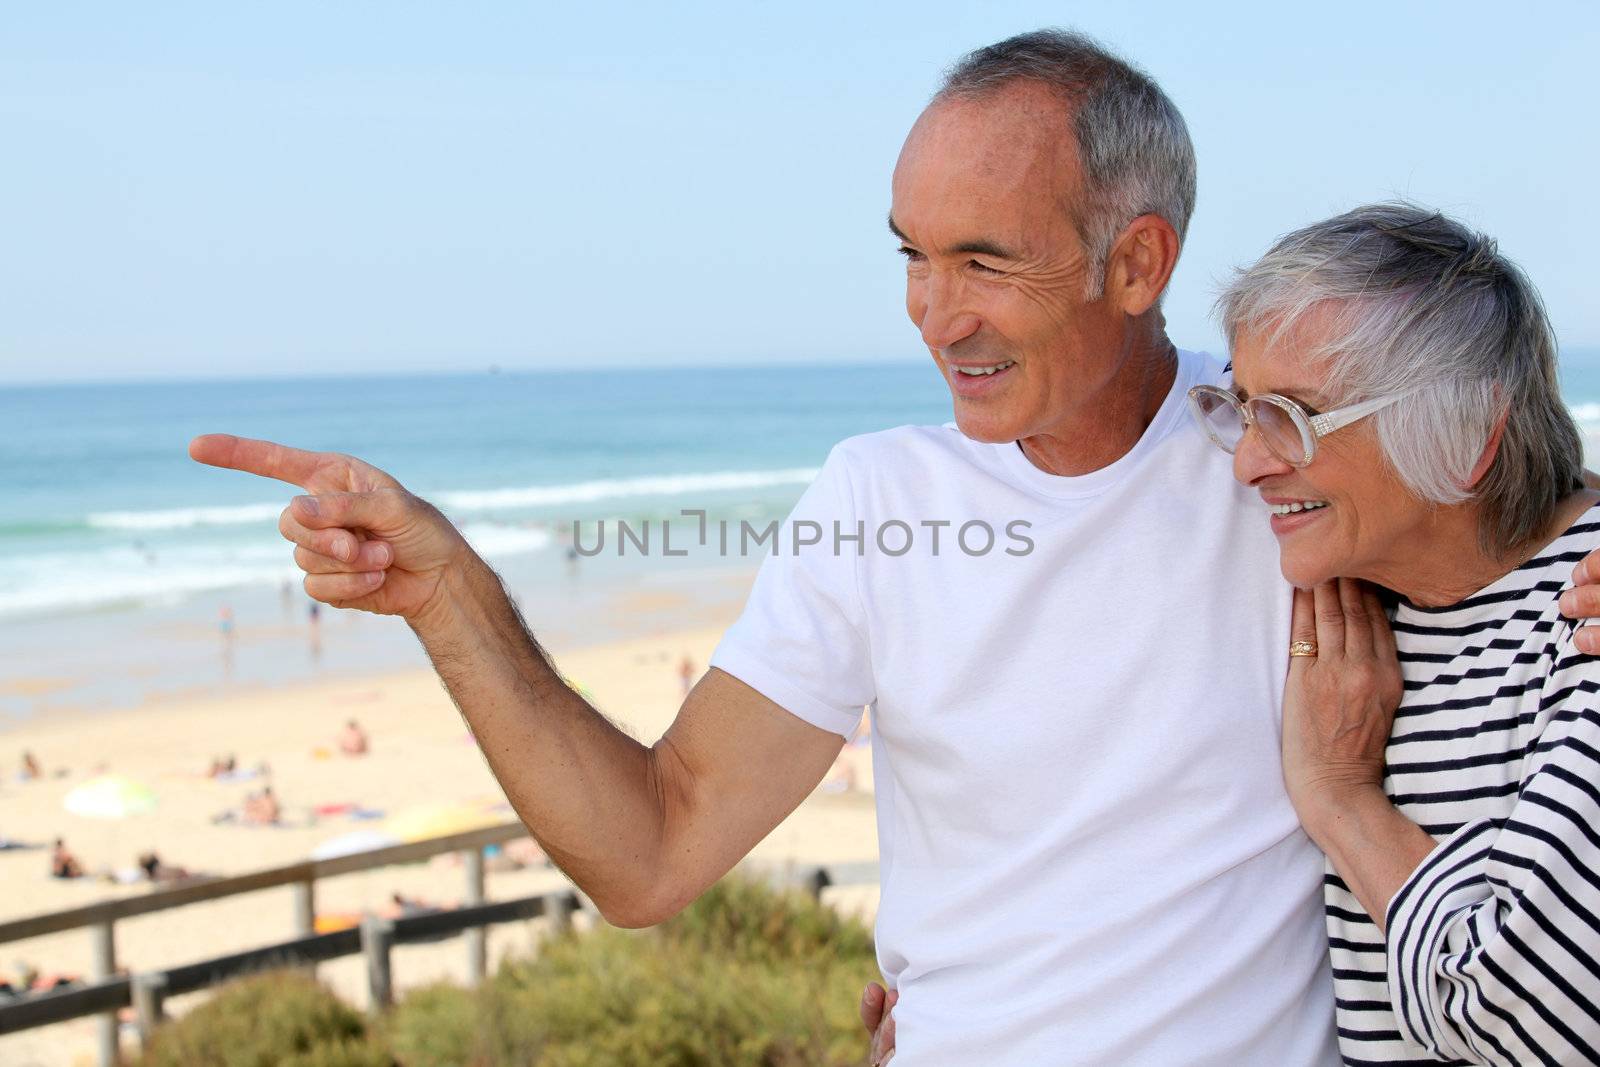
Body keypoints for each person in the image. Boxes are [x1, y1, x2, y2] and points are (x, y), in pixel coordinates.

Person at [187, 31, 1600, 1065]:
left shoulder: (1288, 476)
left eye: (985, 259)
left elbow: (1491, 470)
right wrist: (449, 591)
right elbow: (653, 853)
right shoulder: (872, 500)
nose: (934, 312)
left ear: (1139, 261)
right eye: (910, 255)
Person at [1192, 203, 1600, 1064]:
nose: (1247, 462)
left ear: (1467, 433)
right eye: (1239, 408)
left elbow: (1529, 1014)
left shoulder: (1586, 621)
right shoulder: (1337, 597)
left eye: (1293, 418)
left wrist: (1341, 797)